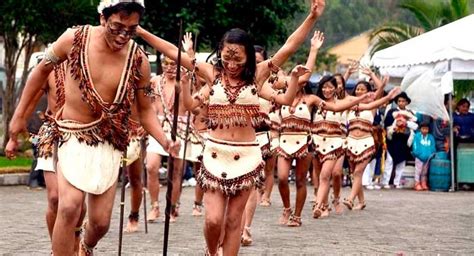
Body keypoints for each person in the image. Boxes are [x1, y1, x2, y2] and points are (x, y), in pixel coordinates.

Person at [136, 1, 325, 254]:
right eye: (227, 56)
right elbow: (173, 51)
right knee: (213, 220)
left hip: (247, 156)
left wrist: (312, 17)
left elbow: (289, 46)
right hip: (215, 154)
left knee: (234, 221)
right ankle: (212, 250)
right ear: (220, 52)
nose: (232, 63)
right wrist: (140, 31)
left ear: (247, 55)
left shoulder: (258, 75)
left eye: (238, 57)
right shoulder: (211, 73)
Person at [6, 2, 179, 255]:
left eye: (130, 30)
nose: (122, 36)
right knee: (68, 206)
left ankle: (85, 246)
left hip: (109, 139)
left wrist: (164, 141)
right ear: (102, 18)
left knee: (100, 224)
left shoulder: (137, 59)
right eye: (117, 27)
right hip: (71, 132)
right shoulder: (74, 38)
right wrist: (18, 117)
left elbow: (144, 110)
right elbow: (40, 72)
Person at [6, 61, 87, 253]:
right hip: (52, 134)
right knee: (54, 197)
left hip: (81, 136)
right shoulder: (50, 71)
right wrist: (13, 137)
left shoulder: (87, 70)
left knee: (77, 204)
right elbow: (30, 102)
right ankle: (57, 249)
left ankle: (75, 239)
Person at [342, 82, 400, 210]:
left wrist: (384, 86)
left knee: (358, 172)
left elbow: (379, 96)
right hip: (351, 142)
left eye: (363, 89)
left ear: (368, 92)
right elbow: (341, 90)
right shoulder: (350, 105)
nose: (359, 91)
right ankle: (361, 201)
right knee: (354, 174)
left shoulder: (371, 106)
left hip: (365, 142)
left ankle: (350, 199)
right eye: (357, 89)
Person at [381, 91, 417, 189]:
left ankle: (397, 182)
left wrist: (406, 124)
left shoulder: (410, 113)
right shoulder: (391, 112)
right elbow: (386, 124)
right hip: (392, 140)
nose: (401, 103)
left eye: (403, 101)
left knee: (401, 162)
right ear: (397, 102)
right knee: (389, 161)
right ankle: (385, 182)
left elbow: (416, 126)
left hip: (404, 141)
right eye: (399, 101)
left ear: (407, 102)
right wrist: (396, 124)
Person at [411, 122, 436, 191]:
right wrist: (419, 154)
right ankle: (417, 183)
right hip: (419, 157)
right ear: (420, 129)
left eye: (426, 129)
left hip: (428, 157)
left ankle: (423, 183)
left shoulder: (431, 137)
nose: (425, 130)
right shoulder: (417, 136)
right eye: (423, 129)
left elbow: (433, 147)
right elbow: (415, 146)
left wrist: (431, 154)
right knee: (418, 170)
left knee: (425, 171)